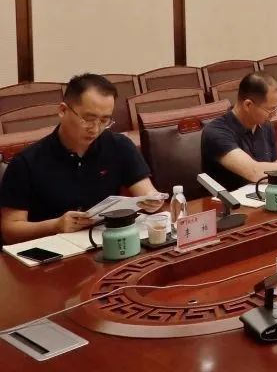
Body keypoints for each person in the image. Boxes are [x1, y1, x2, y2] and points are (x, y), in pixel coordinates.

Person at [0, 74, 165, 244]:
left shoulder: (119, 145)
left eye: (104, 120)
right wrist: (55, 226)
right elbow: (10, 230)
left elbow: (146, 192)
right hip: (51, 249)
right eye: (88, 119)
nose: (95, 129)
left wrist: (152, 200)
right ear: (63, 110)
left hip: (106, 241)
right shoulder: (26, 162)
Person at [201, 72, 277, 192]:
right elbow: (253, 171)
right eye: (271, 109)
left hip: (262, 196)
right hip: (229, 201)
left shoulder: (266, 126)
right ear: (248, 105)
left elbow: (273, 170)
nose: (275, 114)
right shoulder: (216, 132)